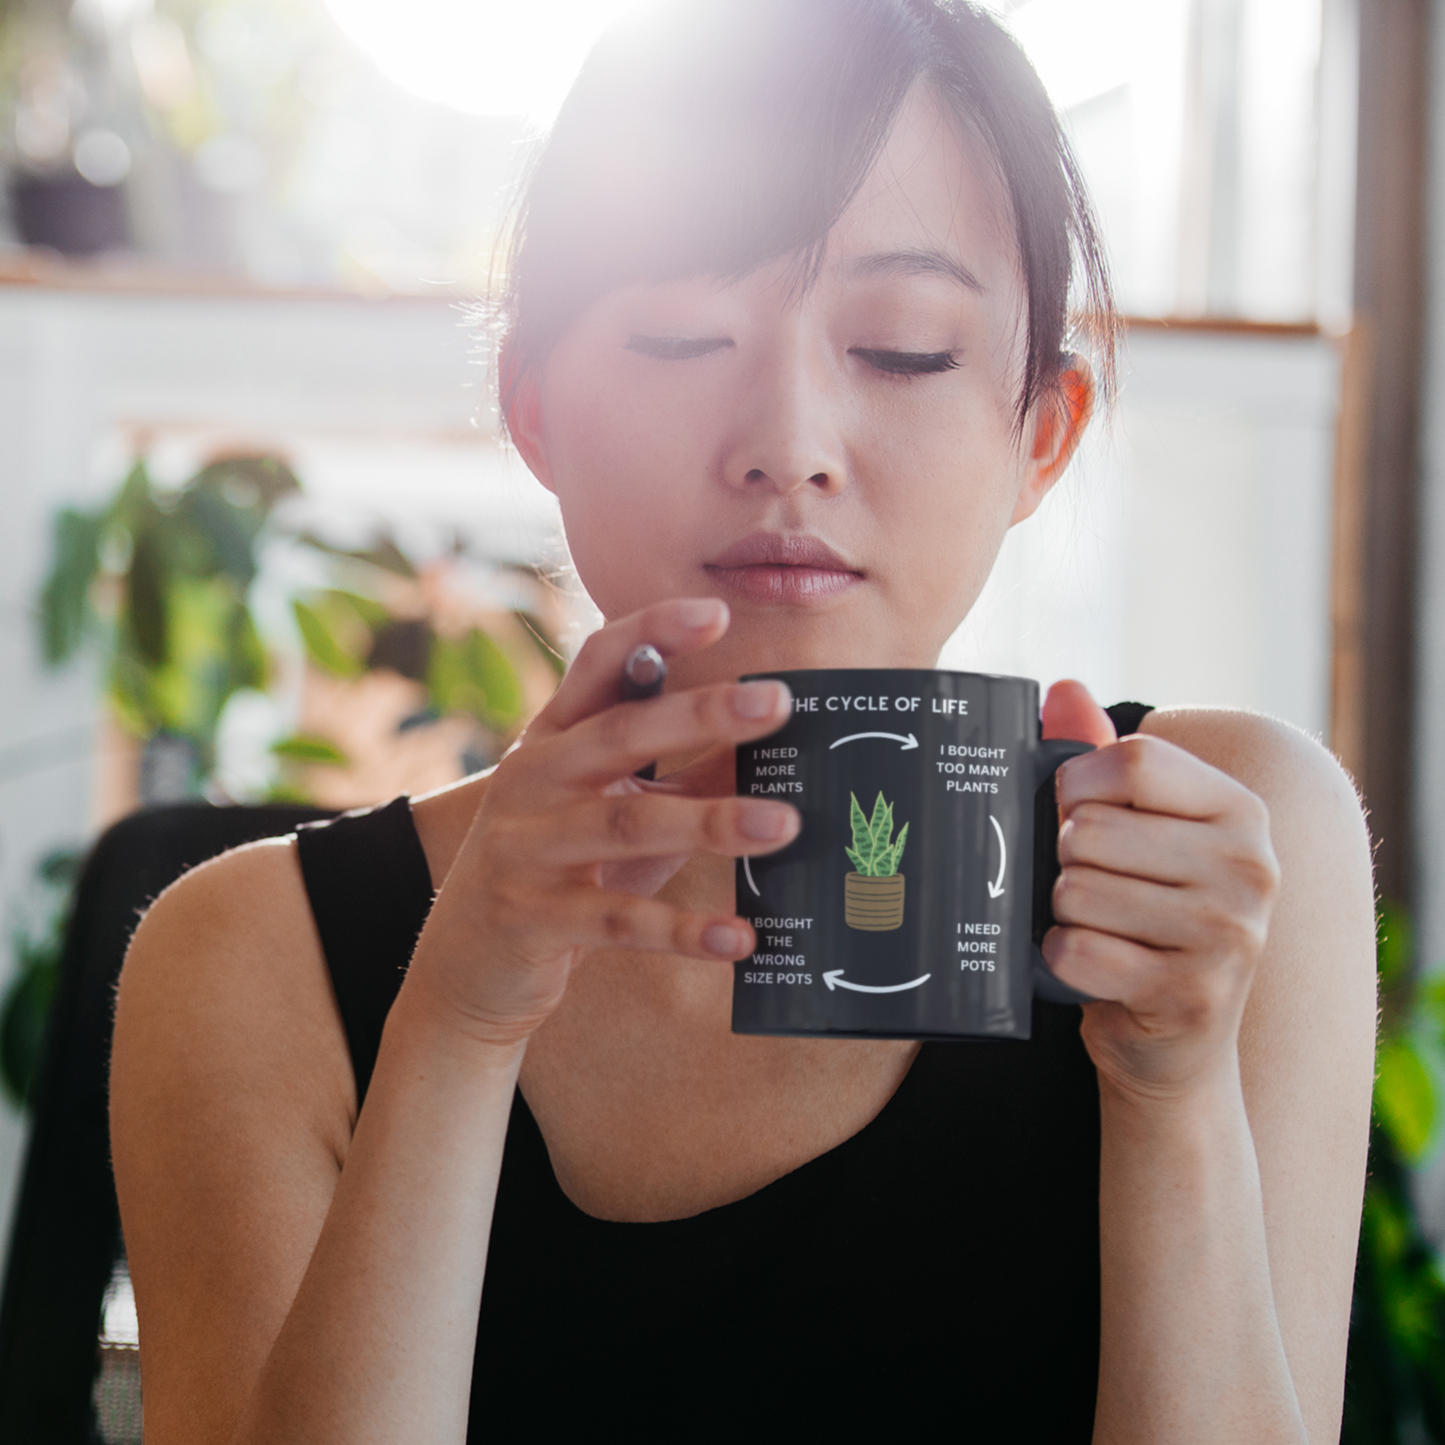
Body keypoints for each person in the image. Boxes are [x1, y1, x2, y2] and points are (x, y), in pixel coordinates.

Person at [109, 2, 1377, 1441]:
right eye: (680, 333)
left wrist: (1175, 1095)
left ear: (1043, 436)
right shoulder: (253, 962)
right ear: (533, 411)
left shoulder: (1219, 853)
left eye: (901, 350)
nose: (788, 440)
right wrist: (458, 1024)